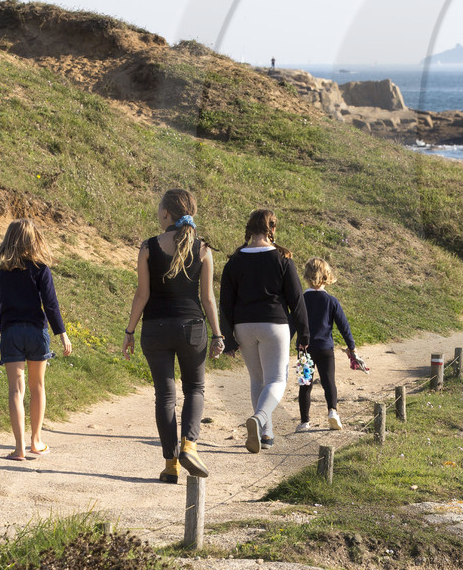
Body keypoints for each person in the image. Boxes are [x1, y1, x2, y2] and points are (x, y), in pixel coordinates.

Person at [121, 189, 224, 483]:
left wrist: (129, 331)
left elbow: (142, 295)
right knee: (195, 389)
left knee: (164, 397)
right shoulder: (203, 250)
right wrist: (217, 335)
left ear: (166, 213)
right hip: (192, 328)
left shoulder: (149, 247)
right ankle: (189, 446)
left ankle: (170, 466)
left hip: (155, 329)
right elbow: (207, 299)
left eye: (159, 207)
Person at [218, 209, 310, 454]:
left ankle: (266, 435)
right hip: (274, 324)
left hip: (244, 326)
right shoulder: (282, 258)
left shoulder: (235, 260)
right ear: (272, 229)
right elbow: (296, 300)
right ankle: (259, 419)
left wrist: (227, 338)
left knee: (257, 380)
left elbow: (225, 303)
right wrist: (304, 333)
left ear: (250, 228)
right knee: (277, 380)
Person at [0, 219, 73, 461]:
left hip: (11, 333)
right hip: (36, 332)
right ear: (34, 240)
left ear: (9, 239)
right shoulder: (41, 268)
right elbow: (51, 305)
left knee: (16, 390)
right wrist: (62, 333)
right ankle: (36, 441)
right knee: (37, 387)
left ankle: (19, 447)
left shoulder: (2, 271)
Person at [300, 257, 358, 431]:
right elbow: (344, 326)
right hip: (325, 348)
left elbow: (292, 323)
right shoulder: (331, 301)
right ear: (327, 276)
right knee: (328, 382)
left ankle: (304, 422)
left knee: (305, 385)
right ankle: (332, 411)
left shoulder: (301, 300)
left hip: (305, 350)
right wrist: (351, 347)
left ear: (306, 276)